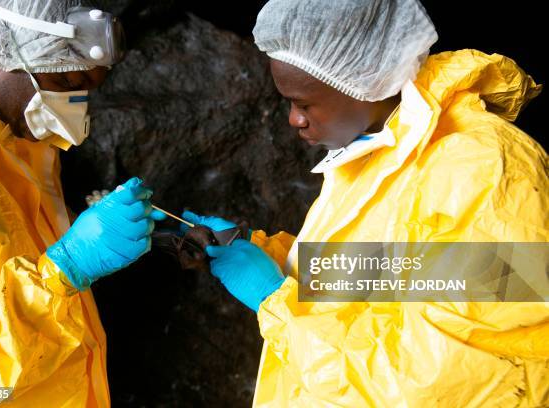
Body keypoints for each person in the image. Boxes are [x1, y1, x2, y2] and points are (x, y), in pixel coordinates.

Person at [184, 0, 549, 406]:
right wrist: (264, 252)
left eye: (304, 103)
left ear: (362, 80)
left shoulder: (483, 169)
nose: (293, 119)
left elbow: (435, 380)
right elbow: (394, 275)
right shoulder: (388, 146)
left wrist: (276, 301)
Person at [0, 1, 164, 405]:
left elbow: (6, 242)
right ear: (12, 52)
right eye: (71, 80)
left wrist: (274, 262)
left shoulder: (9, 130)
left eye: (300, 101)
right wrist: (61, 272)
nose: (294, 119)